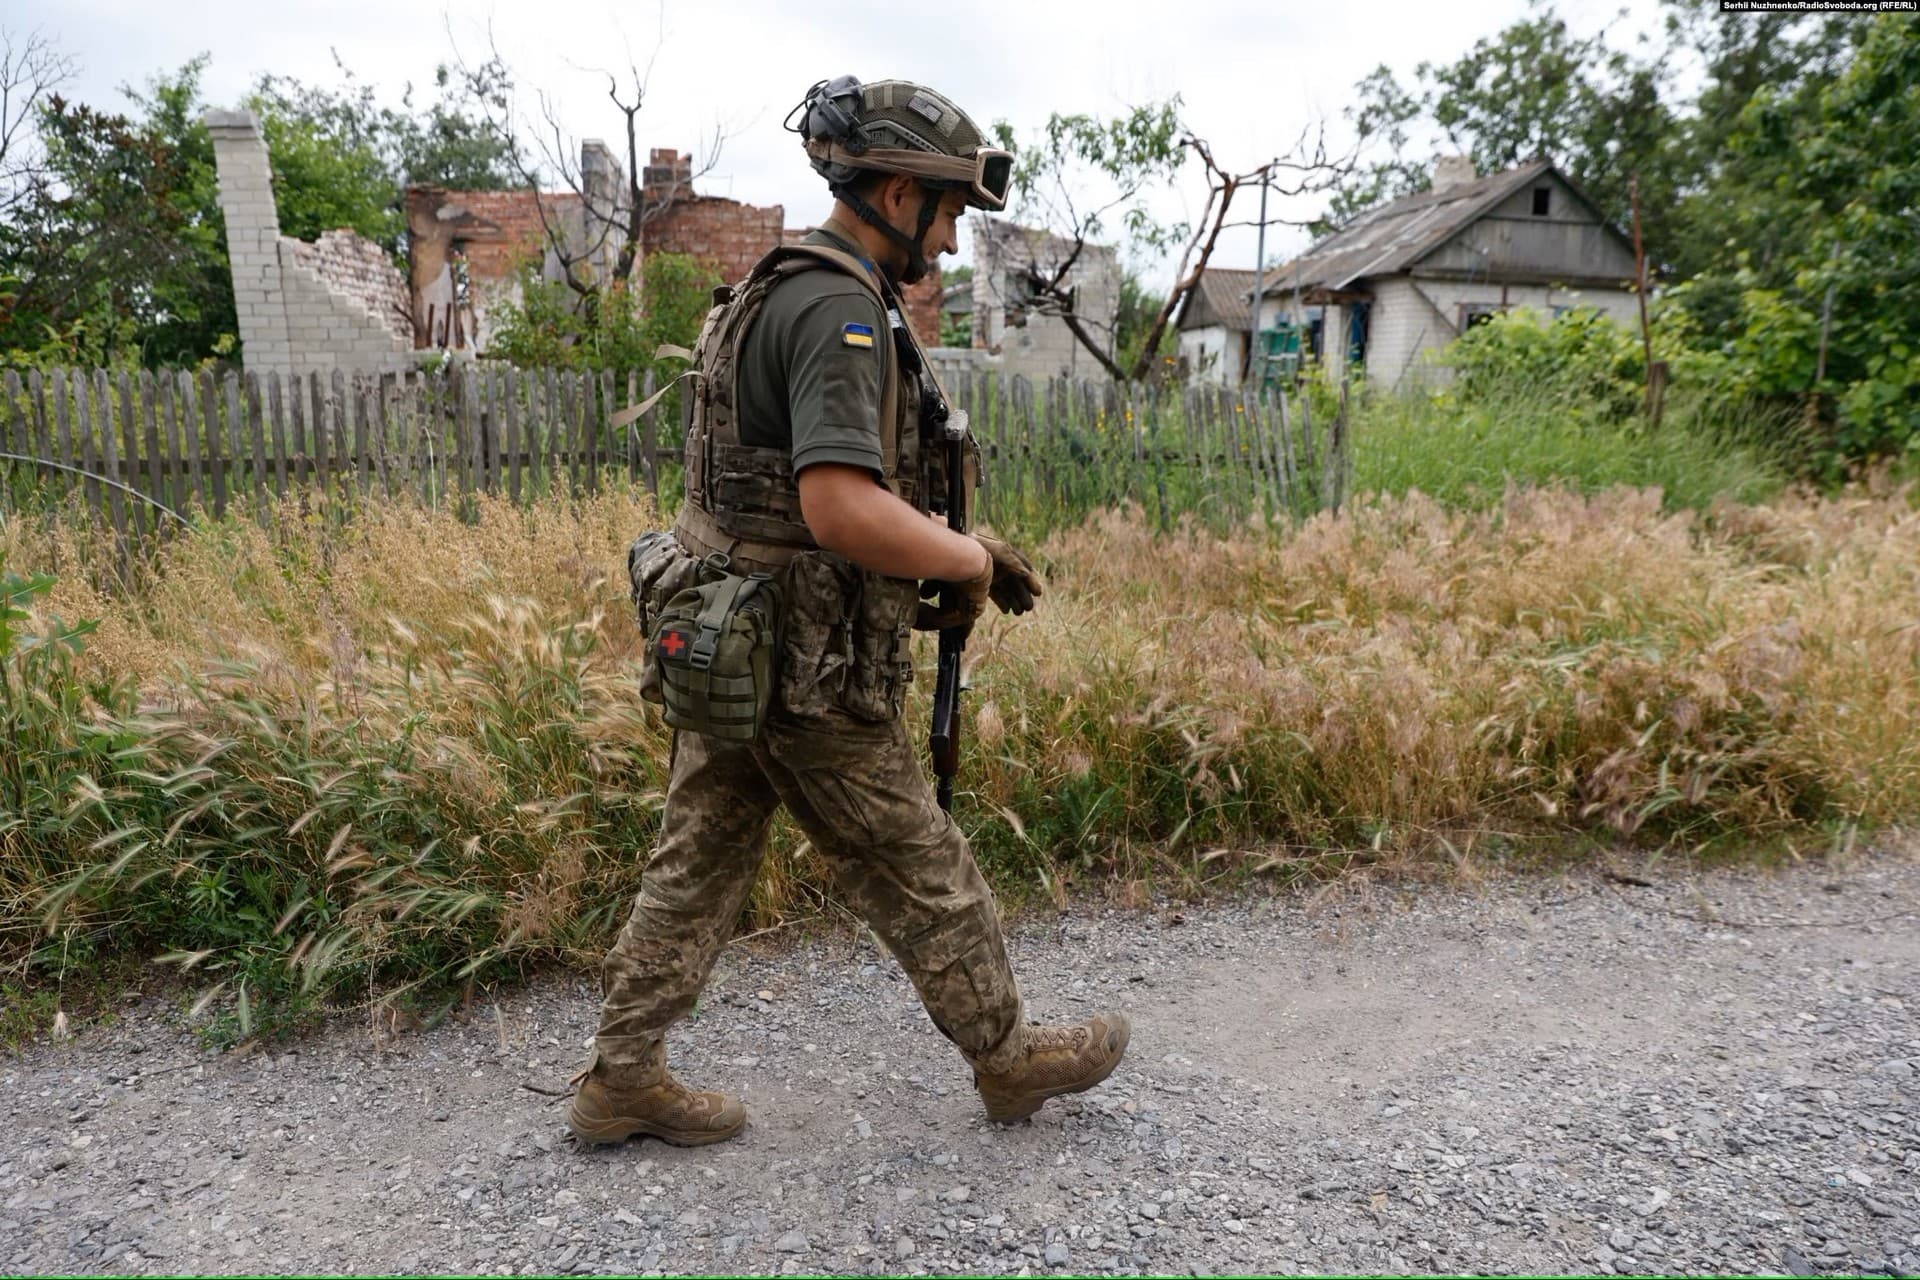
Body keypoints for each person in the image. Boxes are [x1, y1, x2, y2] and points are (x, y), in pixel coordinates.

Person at [568, 76, 1129, 1148]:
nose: (955, 242)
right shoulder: (838, 308)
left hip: (734, 635)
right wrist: (970, 554)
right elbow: (838, 506)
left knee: (696, 857)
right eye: (950, 209)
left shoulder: (773, 285)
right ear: (892, 188)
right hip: (802, 659)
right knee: (919, 860)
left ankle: (623, 1076)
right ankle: (1009, 1057)